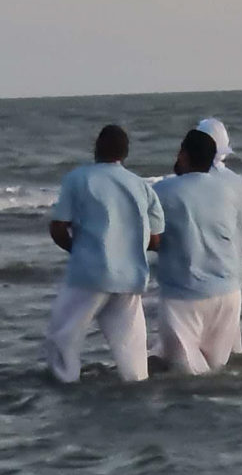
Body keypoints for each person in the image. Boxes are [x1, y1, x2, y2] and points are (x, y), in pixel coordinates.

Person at [44, 124, 163, 383]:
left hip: (90, 273)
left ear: (96, 147)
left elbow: (58, 227)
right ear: (125, 154)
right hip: (130, 277)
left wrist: (77, 250)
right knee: (131, 350)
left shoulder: (78, 179)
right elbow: (155, 240)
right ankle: (136, 390)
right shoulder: (141, 186)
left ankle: (66, 384)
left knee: (63, 336)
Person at [152, 126, 242, 373]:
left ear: (184, 155)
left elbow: (150, 237)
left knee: (188, 376)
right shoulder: (232, 188)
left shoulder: (163, 191)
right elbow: (239, 237)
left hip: (183, 297)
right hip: (228, 293)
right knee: (216, 372)